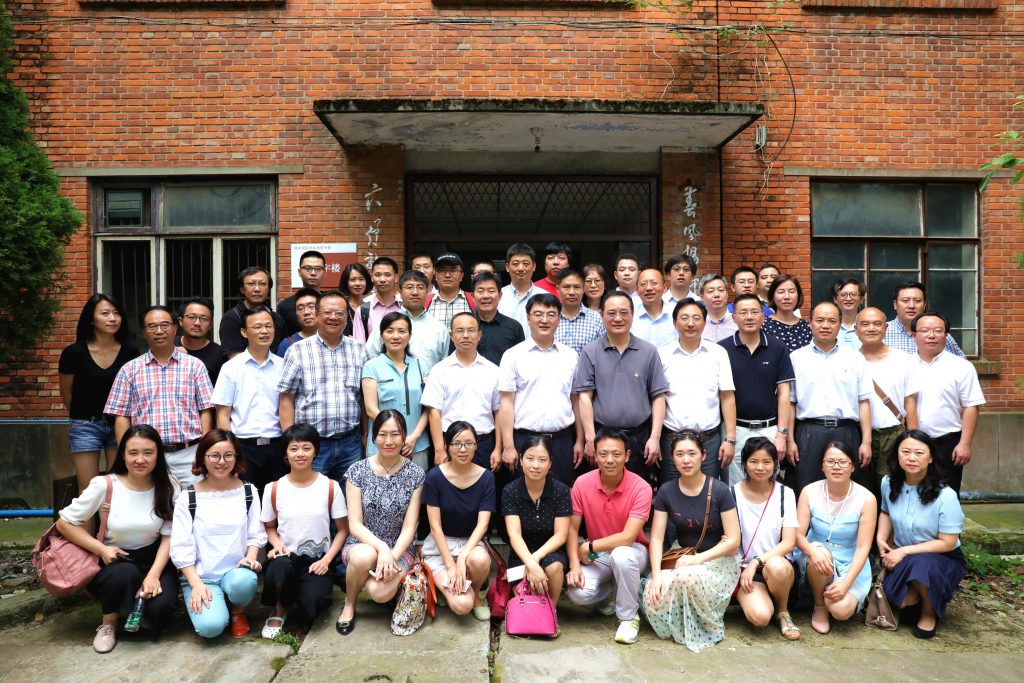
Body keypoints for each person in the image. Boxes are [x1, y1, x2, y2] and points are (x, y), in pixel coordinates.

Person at [56, 425, 178, 653]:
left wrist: (153, 575)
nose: (140, 459)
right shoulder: (105, 484)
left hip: (153, 559)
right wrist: (100, 549)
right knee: (124, 575)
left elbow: (169, 536)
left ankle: (140, 609)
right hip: (114, 560)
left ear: (158, 455)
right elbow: (64, 523)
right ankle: (108, 624)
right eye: (133, 453)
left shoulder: (169, 485)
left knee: (162, 608)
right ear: (123, 455)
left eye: (148, 452)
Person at [642, 430, 741, 652]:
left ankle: (705, 625)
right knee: (651, 599)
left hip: (715, 560)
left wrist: (698, 559)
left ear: (703, 455)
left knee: (687, 576)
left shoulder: (720, 490)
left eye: (691, 453)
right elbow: (656, 537)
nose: (686, 460)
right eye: (679, 454)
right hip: (682, 555)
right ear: (672, 458)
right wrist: (656, 575)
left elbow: (734, 541)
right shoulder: (667, 491)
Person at [171, 429, 267, 639]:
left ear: (236, 457)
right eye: (214, 455)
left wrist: (251, 558)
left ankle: (238, 611)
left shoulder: (248, 491)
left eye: (228, 455)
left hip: (236, 571)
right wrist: (196, 584)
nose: (221, 462)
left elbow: (256, 533)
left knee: (245, 582)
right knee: (210, 628)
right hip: (201, 575)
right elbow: (180, 546)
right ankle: (213, 603)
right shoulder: (188, 497)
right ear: (203, 458)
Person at [336, 411, 425, 635]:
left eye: (395, 434)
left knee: (380, 593)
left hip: (400, 548)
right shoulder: (357, 471)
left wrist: (391, 556)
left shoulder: (415, 474)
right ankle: (349, 603)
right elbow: (355, 524)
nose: (389, 441)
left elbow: (409, 527)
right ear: (373, 437)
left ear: (404, 436)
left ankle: (365, 577)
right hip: (362, 543)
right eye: (383, 434)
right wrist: (382, 548)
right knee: (363, 556)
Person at [104, 305, 213, 487]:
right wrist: (127, 453)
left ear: (175, 328)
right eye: (152, 326)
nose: (159, 331)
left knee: (193, 502)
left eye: (165, 325)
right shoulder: (129, 370)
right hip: (146, 455)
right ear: (144, 331)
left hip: (189, 454)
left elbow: (206, 409)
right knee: (151, 503)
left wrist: (204, 450)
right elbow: (122, 416)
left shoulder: (195, 366)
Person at [260, 423, 348, 638]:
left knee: (313, 607)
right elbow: (269, 527)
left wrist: (326, 560)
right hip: (286, 556)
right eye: (294, 448)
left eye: (306, 448)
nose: (300, 454)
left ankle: (300, 594)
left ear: (315, 451)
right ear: (285, 454)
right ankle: (279, 608)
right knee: (278, 568)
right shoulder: (273, 488)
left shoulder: (330, 486)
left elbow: (342, 530)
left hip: (316, 560)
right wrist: (277, 545)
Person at [566, 429, 652, 645]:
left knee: (621, 555)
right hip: (600, 554)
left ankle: (628, 617)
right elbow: (572, 529)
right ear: (595, 455)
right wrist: (574, 565)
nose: (610, 460)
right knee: (578, 593)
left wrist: (589, 546)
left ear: (627, 456)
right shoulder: (582, 483)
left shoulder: (641, 487)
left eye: (616, 454)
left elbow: (628, 537)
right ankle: (615, 590)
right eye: (603, 454)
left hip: (633, 550)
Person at [878, 430, 967, 639]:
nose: (912, 458)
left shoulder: (946, 495)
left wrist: (904, 551)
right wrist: (880, 538)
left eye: (919, 453)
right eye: (905, 452)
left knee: (922, 564)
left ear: (931, 457)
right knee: (897, 600)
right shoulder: (888, 483)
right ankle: (921, 595)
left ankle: (929, 612)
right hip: (903, 556)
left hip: (941, 558)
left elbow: (948, 542)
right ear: (897, 455)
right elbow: (885, 512)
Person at [576, 291, 668, 484]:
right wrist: (590, 438)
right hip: (603, 437)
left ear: (632, 315)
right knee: (603, 490)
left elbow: (658, 397)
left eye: (624, 312)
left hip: (639, 438)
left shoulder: (649, 351)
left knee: (638, 489)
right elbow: (584, 397)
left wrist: (655, 438)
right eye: (611, 313)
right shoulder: (590, 352)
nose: (618, 318)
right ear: (601, 315)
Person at [278, 291, 368, 483]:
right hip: (310, 445)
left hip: (350, 444)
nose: (333, 317)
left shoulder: (359, 350)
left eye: (339, 313)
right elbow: (286, 398)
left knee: (349, 497)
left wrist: (365, 435)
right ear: (317, 315)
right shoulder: (297, 351)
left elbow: (363, 397)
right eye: (327, 312)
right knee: (311, 497)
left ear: (347, 317)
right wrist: (290, 441)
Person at [786, 302, 872, 496]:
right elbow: (790, 403)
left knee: (846, 490)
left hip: (846, 431)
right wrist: (790, 439)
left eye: (832, 321)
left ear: (840, 324)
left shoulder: (855, 358)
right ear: (810, 323)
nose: (825, 325)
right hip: (808, 433)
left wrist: (866, 442)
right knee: (806, 488)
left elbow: (864, 402)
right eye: (820, 320)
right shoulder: (796, 358)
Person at [499, 293, 582, 485]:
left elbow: (576, 400)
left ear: (559, 319)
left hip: (561, 441)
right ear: (528, 318)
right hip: (524, 440)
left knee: (562, 494)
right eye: (538, 314)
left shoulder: (571, 356)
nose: (544, 320)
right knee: (523, 496)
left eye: (551, 314)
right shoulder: (513, 356)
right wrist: (508, 445)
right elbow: (506, 403)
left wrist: (579, 440)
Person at [795, 441, 876, 635]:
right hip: (815, 553)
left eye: (843, 462)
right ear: (822, 466)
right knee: (821, 555)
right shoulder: (809, 491)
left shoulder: (866, 499)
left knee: (841, 611)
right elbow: (796, 534)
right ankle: (819, 606)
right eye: (830, 461)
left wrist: (846, 583)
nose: (836, 467)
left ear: (853, 466)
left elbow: (863, 548)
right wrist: (812, 550)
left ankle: (841, 596)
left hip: (850, 559)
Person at [59, 294, 138, 495]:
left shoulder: (130, 351)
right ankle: (87, 519)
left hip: (120, 423)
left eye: (116, 313)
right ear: (91, 319)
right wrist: (83, 415)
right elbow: (66, 393)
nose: (112, 318)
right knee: (88, 489)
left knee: (118, 485)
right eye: (105, 313)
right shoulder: (73, 352)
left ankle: (110, 519)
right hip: (85, 425)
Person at [423, 421, 496, 620]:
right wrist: (451, 565)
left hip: (470, 545)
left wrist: (462, 558)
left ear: (476, 446)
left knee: (481, 560)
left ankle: (476, 595)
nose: (463, 449)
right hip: (440, 548)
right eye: (456, 444)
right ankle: (450, 589)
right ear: (447, 446)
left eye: (468, 443)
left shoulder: (486, 478)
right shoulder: (434, 477)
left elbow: (483, 525)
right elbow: (435, 527)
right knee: (461, 606)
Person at [659, 298, 735, 481]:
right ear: (674, 323)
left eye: (696, 318)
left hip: (708, 440)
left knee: (707, 491)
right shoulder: (662, 355)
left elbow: (727, 397)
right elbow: (658, 398)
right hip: (671, 439)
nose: (690, 323)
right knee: (670, 491)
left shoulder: (718, 353)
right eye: (684, 318)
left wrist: (730, 438)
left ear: (704, 322)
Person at [720, 293, 793, 486]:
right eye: (743, 312)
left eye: (754, 312)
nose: (749, 317)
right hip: (735, 430)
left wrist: (782, 434)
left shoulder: (777, 347)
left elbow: (784, 393)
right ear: (734, 317)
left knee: (767, 485)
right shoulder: (722, 350)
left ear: (763, 315)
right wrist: (729, 438)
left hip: (769, 430)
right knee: (735, 488)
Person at [731, 437, 800, 640]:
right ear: (744, 463)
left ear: (775, 464)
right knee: (760, 618)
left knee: (776, 565)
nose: (760, 467)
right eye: (754, 461)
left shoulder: (785, 494)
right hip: (745, 570)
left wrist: (757, 561)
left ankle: (783, 611)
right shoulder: (731, 493)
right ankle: (766, 602)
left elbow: (789, 542)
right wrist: (748, 566)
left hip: (779, 568)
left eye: (766, 462)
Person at [212, 308, 285, 495]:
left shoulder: (283, 366)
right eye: (257, 327)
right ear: (244, 332)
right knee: (245, 501)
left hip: (277, 446)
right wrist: (231, 451)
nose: (264, 331)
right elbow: (223, 415)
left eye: (269, 326)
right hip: (243, 447)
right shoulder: (231, 368)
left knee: (275, 501)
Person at [911, 310, 985, 493]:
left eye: (938, 330)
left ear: (946, 335)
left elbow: (971, 406)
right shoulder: (904, 365)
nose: (931, 335)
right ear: (914, 335)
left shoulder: (962, 367)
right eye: (924, 330)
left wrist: (965, 443)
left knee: (947, 495)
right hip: (912, 442)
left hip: (948, 443)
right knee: (912, 493)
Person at [855, 307, 919, 501]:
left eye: (877, 324)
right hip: (858, 435)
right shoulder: (849, 360)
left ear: (886, 328)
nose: (871, 328)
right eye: (865, 324)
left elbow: (910, 401)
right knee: (861, 491)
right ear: (856, 329)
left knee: (893, 490)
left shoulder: (904, 359)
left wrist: (913, 439)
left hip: (893, 434)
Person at [423, 311, 502, 469]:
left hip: (484, 444)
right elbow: (434, 412)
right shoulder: (439, 370)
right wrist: (439, 449)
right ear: (451, 335)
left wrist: (498, 448)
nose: (466, 335)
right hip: (450, 444)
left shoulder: (493, 371)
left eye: (471, 330)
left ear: (479, 335)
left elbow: (499, 411)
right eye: (460, 331)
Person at [502, 436, 572, 606]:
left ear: (550, 463)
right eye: (530, 458)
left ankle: (551, 613)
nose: (535, 465)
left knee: (554, 567)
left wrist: (534, 561)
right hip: (521, 555)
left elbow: (561, 535)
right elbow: (514, 534)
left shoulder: (561, 491)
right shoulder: (510, 491)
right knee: (528, 599)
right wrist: (530, 564)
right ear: (521, 460)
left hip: (551, 553)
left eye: (542, 460)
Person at [362, 312, 430, 471]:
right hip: (382, 445)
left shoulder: (421, 366)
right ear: (381, 335)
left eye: (401, 331)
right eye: (390, 331)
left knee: (417, 486)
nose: (395, 336)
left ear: (409, 336)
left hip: (416, 445)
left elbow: (428, 407)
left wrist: (414, 437)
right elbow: (371, 409)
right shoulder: (371, 367)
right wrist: (395, 438)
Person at [366, 270, 449, 372]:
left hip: (429, 381)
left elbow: (444, 366)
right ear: (400, 292)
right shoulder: (384, 324)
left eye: (420, 287)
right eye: (409, 287)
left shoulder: (439, 328)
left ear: (427, 292)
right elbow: (371, 357)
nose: (415, 292)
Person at [218, 266, 286, 359]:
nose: (257, 289)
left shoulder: (276, 317)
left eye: (262, 284)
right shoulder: (232, 317)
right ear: (242, 289)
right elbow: (234, 358)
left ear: (268, 289)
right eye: (251, 284)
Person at [883, 282, 965, 357]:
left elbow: (962, 363)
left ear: (924, 305)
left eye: (917, 301)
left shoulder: (940, 334)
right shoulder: (882, 332)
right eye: (905, 300)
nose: (911, 306)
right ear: (895, 304)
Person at [470, 270, 525, 365]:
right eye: (480, 291)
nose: (486, 296)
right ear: (472, 296)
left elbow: (521, 362)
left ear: (500, 296)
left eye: (491, 291)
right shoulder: (463, 326)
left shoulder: (514, 327)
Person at [554, 268, 605, 354]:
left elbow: (603, 352)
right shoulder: (549, 318)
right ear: (557, 289)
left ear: (584, 288)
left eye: (577, 287)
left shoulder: (596, 319)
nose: (571, 292)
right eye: (566, 287)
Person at [498, 243, 545, 332]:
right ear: (507, 267)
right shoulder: (498, 296)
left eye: (526, 264)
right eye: (515, 264)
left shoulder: (545, 296)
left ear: (534, 266)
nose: (520, 268)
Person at [278, 250, 326, 336]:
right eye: (307, 268)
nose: (313, 273)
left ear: (324, 272)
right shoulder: (285, 306)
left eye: (318, 269)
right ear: (299, 272)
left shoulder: (331, 302)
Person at [176, 297, 222, 384]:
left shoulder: (219, 355)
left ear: (210, 325)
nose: (197, 323)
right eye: (191, 317)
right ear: (181, 321)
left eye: (204, 318)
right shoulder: (169, 347)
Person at [354, 257, 401, 343]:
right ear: (372, 277)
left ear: (396, 277)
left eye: (387, 275)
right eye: (378, 275)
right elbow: (359, 346)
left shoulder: (404, 308)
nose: (382, 279)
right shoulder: (362, 311)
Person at [762, 275, 812, 352]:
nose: (787, 297)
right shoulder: (763, 326)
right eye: (781, 292)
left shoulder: (808, 327)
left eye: (791, 292)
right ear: (773, 296)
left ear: (798, 295)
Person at [426, 253, 474, 329]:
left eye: (453, 270)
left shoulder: (473, 300)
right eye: (442, 270)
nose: (447, 275)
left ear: (461, 276)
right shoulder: (425, 302)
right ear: (435, 275)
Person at [632, 269, 675, 348]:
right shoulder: (630, 316)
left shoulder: (676, 314)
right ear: (637, 289)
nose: (649, 288)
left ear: (664, 288)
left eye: (654, 283)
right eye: (643, 284)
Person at [276, 288, 320, 357]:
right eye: (300, 308)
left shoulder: (332, 339)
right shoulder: (287, 344)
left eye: (311, 307)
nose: (306, 312)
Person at [699, 273, 738, 343]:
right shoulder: (697, 323)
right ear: (701, 297)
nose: (716, 295)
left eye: (721, 290)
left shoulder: (738, 322)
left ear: (727, 294)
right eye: (711, 291)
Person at [339, 262, 372, 338]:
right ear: (346, 282)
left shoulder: (370, 307)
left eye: (361, 279)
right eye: (353, 280)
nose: (357, 283)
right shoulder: (341, 306)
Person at [832, 278, 865, 349]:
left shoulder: (867, 326)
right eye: (843, 294)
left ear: (861, 299)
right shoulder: (828, 326)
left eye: (853, 294)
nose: (848, 299)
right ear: (835, 299)